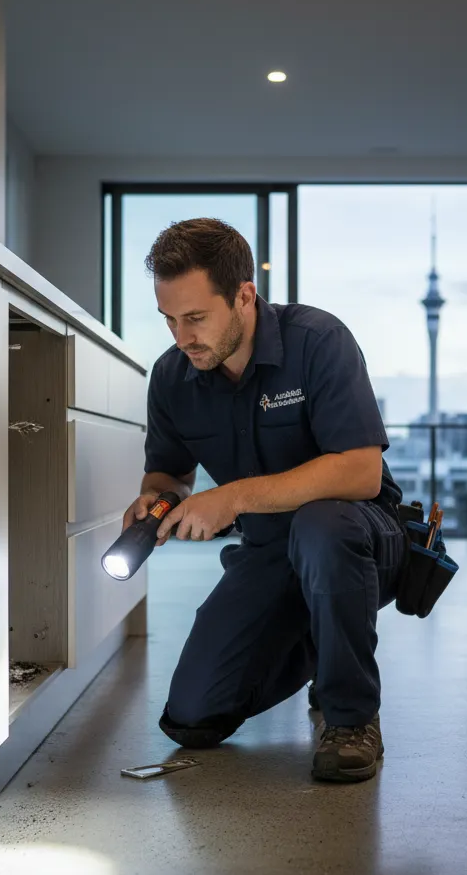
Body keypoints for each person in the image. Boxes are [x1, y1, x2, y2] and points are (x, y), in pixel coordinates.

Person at [122, 218, 405, 783]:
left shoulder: (318, 342)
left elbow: (361, 470)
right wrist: (156, 497)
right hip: (272, 551)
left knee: (324, 528)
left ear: (244, 296)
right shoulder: (173, 377)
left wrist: (231, 498)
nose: (182, 338)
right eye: (170, 320)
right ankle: (320, 640)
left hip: (360, 536)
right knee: (192, 717)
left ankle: (350, 716)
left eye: (196, 318)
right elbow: (172, 472)